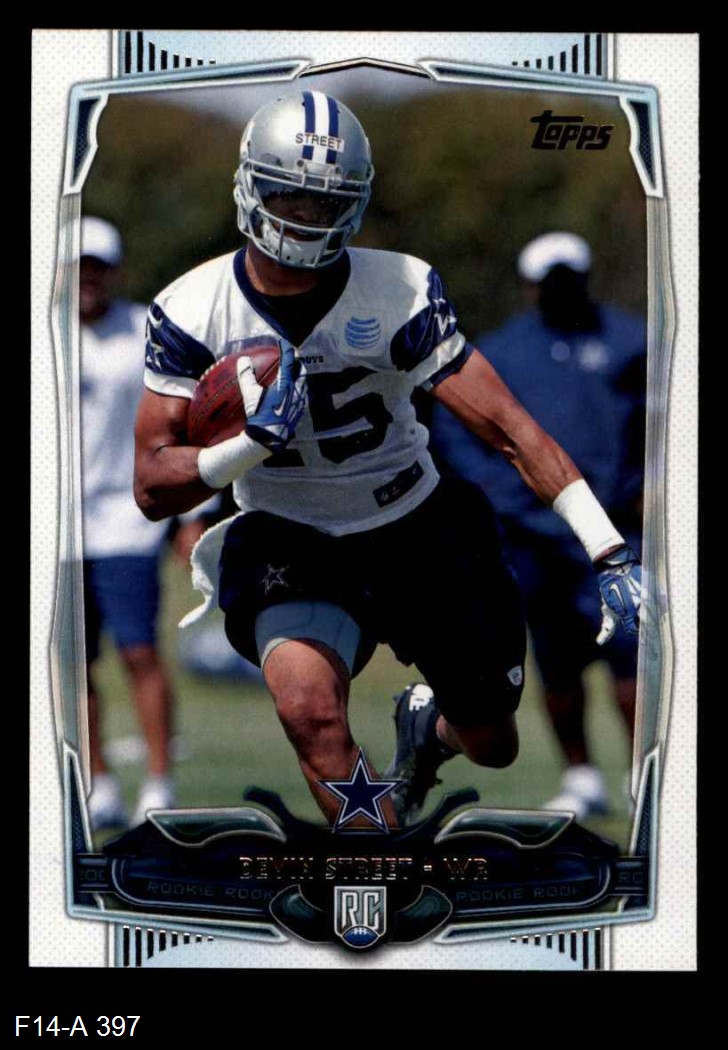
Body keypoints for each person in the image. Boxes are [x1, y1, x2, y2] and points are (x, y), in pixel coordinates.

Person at [132, 92, 641, 828]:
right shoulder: (192, 308)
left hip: (412, 522)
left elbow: (508, 429)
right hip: (288, 532)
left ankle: (429, 733)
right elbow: (152, 485)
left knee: (492, 741)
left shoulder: (396, 289)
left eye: (325, 202)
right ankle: (379, 869)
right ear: (250, 187)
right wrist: (245, 446)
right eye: (290, 196)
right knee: (309, 712)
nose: (306, 218)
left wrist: (608, 548)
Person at [427, 232, 645, 818]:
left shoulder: (632, 342)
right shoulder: (498, 352)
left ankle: (642, 773)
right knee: (557, 661)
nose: (559, 292)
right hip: (534, 539)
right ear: (528, 287)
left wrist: (643, 488)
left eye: (569, 280)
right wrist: (512, 501)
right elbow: (458, 435)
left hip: (617, 534)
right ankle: (581, 776)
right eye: (549, 283)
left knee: (633, 656)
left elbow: (661, 422)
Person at [80, 217, 177, 831]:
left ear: (113, 272)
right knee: (74, 662)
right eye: (78, 267)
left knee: (138, 649)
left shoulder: (144, 330)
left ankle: (159, 781)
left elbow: (182, 424)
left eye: (98, 267)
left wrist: (190, 512)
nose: (87, 279)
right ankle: (99, 781)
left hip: (128, 516)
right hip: (58, 525)